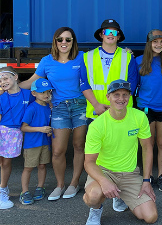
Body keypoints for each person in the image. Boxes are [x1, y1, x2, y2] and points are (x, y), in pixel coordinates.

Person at [19, 27, 101, 201]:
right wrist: (11, 87)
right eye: (60, 39)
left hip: (79, 106)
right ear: (55, 41)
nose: (64, 43)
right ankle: (60, 185)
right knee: (57, 151)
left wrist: (126, 51)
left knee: (79, 147)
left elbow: (103, 56)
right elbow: (32, 82)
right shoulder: (47, 61)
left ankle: (74, 183)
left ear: (73, 42)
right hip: (58, 108)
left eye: (68, 39)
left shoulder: (82, 57)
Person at [83, 79, 157, 225]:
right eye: (116, 95)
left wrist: (146, 180)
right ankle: (95, 210)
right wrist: (104, 182)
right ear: (108, 97)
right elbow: (89, 162)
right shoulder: (97, 125)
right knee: (93, 196)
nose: (121, 99)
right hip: (105, 172)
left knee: (150, 217)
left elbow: (148, 148)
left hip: (130, 173)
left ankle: (120, 195)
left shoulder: (139, 117)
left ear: (130, 96)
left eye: (125, 95)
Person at [135, 29, 162, 192]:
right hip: (146, 106)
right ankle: (148, 176)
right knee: (148, 143)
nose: (158, 45)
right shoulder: (138, 61)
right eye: (155, 42)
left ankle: (161, 176)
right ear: (149, 43)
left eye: (161, 42)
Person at [84, 19, 138, 121]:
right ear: (101, 35)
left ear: (118, 36)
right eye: (107, 32)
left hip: (121, 112)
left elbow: (132, 84)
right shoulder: (87, 57)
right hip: (96, 112)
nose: (111, 35)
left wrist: (117, 107)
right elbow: (84, 84)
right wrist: (96, 105)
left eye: (114, 32)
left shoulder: (128, 57)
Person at [0, 67, 34, 209]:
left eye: (6, 78)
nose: (3, 82)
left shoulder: (28, 94)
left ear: (15, 77)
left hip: (14, 132)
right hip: (2, 130)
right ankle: (3, 188)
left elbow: (40, 105)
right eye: (0, 80)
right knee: (1, 162)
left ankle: (2, 188)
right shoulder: (1, 97)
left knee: (6, 163)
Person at [19, 78, 53, 205]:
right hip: (32, 143)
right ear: (34, 93)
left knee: (42, 165)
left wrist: (48, 131)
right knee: (28, 168)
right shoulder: (31, 108)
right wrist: (41, 129)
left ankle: (40, 187)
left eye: (48, 92)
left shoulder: (49, 107)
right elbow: (23, 127)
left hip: (44, 142)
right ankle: (24, 191)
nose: (46, 95)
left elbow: (47, 124)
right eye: (42, 92)